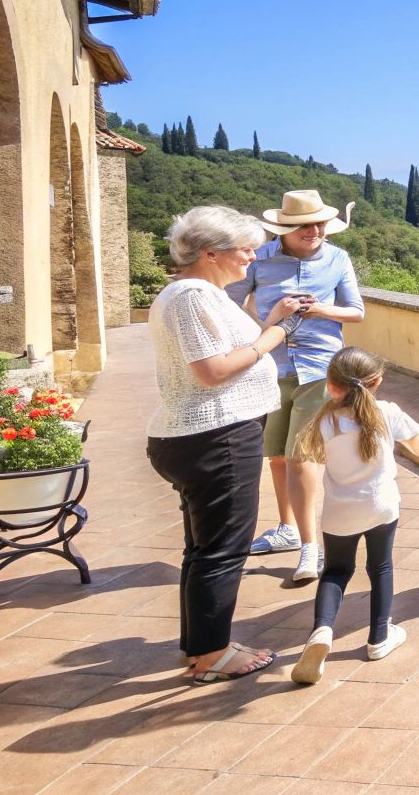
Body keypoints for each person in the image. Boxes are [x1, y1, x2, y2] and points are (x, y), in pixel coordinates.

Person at [147, 205, 302, 683]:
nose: (253, 257)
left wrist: (272, 321)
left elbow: (222, 351)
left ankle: (201, 646)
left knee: (204, 548)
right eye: (245, 249)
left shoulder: (200, 294)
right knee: (223, 550)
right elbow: (213, 371)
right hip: (215, 437)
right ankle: (213, 655)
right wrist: (273, 336)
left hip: (204, 436)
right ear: (210, 252)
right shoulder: (193, 296)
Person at [288, 347, 419, 684]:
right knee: (381, 567)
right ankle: (379, 637)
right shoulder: (386, 412)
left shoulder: (325, 419)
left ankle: (322, 630)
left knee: (336, 572)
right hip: (381, 505)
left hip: (339, 512)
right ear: (376, 381)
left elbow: (309, 458)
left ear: (331, 384)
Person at [226, 189, 365, 583]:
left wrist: (320, 310)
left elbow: (356, 312)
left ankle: (310, 548)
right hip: (270, 368)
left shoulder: (337, 259)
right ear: (283, 228)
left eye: (319, 224)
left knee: (302, 457)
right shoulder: (259, 259)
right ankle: (287, 529)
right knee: (277, 456)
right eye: (304, 225)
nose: (314, 230)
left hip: (320, 369)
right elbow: (228, 307)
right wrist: (272, 318)